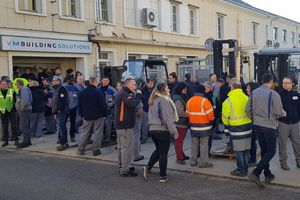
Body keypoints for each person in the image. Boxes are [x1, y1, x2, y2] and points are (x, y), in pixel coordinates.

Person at [246, 73, 286, 188]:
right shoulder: (274, 94)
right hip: (269, 126)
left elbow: (247, 110)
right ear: (271, 81)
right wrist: (284, 113)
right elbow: (278, 112)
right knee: (271, 151)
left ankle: (268, 174)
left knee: (264, 150)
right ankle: (256, 172)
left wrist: (254, 119)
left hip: (257, 125)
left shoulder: (254, 93)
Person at [143, 83, 179, 183]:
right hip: (162, 130)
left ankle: (148, 167)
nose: (169, 89)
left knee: (159, 151)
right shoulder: (164, 101)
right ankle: (162, 176)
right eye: (167, 88)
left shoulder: (153, 100)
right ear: (163, 90)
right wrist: (174, 132)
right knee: (163, 154)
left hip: (153, 129)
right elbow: (168, 119)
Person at [222, 80, 252, 177]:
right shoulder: (246, 98)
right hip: (248, 127)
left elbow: (225, 118)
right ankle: (246, 167)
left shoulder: (228, 101)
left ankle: (241, 169)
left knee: (238, 150)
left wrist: (227, 125)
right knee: (246, 149)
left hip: (236, 128)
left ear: (231, 87)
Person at [114, 77, 142, 177]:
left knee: (122, 148)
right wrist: (138, 95)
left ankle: (123, 166)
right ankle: (125, 169)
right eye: (133, 84)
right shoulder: (124, 94)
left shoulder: (121, 93)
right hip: (125, 125)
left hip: (121, 125)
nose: (135, 86)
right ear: (128, 84)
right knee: (127, 148)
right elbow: (133, 104)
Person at [77, 77, 107, 156]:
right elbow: (102, 105)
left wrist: (82, 114)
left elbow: (79, 106)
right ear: (95, 82)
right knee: (98, 133)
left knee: (85, 132)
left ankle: (80, 149)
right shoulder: (98, 92)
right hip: (98, 116)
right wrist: (105, 114)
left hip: (87, 116)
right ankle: (96, 150)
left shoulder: (82, 92)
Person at [186, 85, 214, 168]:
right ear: (203, 91)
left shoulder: (190, 101)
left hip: (193, 127)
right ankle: (203, 162)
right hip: (204, 127)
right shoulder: (205, 101)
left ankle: (193, 161)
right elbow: (211, 116)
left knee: (194, 144)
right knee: (204, 144)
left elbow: (187, 114)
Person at [278, 77, 300, 170]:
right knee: (282, 144)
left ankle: (298, 161)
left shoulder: (296, 94)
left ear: (291, 84)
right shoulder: (279, 95)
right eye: (284, 83)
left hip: (295, 123)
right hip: (283, 123)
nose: (285, 84)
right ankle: (283, 163)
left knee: (297, 143)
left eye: (287, 83)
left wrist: (298, 119)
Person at [172, 82, 189, 164]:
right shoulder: (177, 98)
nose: (186, 89)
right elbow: (179, 111)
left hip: (182, 122)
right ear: (181, 89)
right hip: (180, 123)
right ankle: (179, 157)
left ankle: (181, 154)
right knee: (179, 140)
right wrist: (189, 114)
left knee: (180, 140)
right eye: (185, 88)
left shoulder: (180, 97)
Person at [52, 76, 69, 151]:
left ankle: (63, 143)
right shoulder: (55, 89)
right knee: (61, 127)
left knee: (62, 127)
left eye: (54, 80)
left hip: (61, 112)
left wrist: (59, 110)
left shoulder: (62, 89)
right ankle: (64, 142)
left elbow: (62, 101)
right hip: (58, 111)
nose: (53, 82)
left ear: (58, 81)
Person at [0, 80, 19, 147]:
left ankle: (16, 140)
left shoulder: (11, 91)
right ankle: (6, 141)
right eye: (2, 84)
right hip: (3, 111)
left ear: (7, 85)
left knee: (14, 125)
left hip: (11, 110)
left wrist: (15, 108)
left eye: (4, 84)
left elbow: (16, 100)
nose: (3, 85)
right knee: (5, 127)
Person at [63, 74, 81, 142]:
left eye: (73, 80)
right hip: (65, 108)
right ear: (67, 80)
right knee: (63, 123)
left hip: (73, 107)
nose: (72, 81)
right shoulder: (63, 86)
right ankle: (61, 137)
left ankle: (72, 136)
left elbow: (81, 94)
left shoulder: (76, 86)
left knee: (73, 122)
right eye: (71, 80)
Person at [245, 81, 259, 166]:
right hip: (255, 122)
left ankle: (253, 160)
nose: (246, 89)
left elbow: (249, 111)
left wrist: (252, 118)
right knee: (253, 142)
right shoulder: (253, 97)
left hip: (254, 123)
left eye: (248, 88)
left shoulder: (252, 98)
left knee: (252, 142)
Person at [15, 79, 32, 148]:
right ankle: (28, 141)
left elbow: (25, 101)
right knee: (26, 126)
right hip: (25, 110)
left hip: (24, 110)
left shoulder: (24, 89)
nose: (15, 85)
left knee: (23, 126)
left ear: (19, 84)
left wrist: (21, 108)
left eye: (16, 84)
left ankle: (25, 142)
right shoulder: (23, 89)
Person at [99, 77, 117, 144]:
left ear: (109, 81)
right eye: (104, 80)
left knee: (107, 125)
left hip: (109, 111)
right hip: (100, 111)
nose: (105, 82)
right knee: (101, 126)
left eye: (107, 81)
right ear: (101, 81)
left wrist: (111, 106)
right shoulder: (98, 89)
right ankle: (101, 138)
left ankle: (107, 139)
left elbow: (116, 99)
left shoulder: (112, 90)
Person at [141, 79, 154, 144]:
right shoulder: (143, 90)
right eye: (151, 83)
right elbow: (144, 100)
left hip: (151, 109)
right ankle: (144, 138)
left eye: (152, 83)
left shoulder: (152, 90)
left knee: (150, 124)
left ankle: (149, 135)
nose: (152, 85)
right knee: (145, 124)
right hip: (145, 109)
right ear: (147, 83)